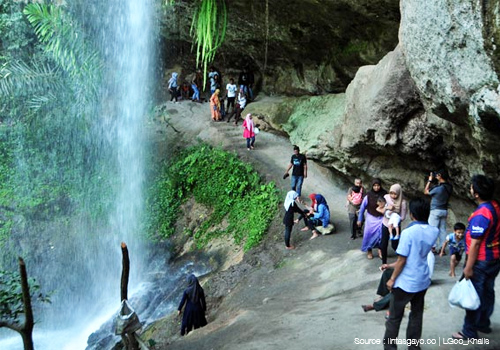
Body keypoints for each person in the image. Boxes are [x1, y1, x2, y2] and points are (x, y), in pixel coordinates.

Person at [380, 197, 439, 350]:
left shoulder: (408, 233)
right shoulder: (434, 231)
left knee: (394, 317)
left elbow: (402, 260)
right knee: (416, 314)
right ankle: (414, 347)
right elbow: (414, 256)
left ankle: (390, 347)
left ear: (412, 215)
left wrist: (392, 279)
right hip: (422, 279)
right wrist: (391, 266)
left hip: (406, 281)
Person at [452, 175, 500, 340]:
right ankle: (483, 324)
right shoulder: (495, 206)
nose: (470, 189)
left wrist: (468, 267)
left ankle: (469, 331)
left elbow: (475, 244)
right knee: (487, 291)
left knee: (474, 294)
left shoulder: (482, 214)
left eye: (472, 187)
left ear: (477, 193)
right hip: (494, 258)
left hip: (481, 260)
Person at [358, 178, 388, 260]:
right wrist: (360, 219)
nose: (376, 187)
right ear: (372, 186)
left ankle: (380, 250)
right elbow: (362, 208)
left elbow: (388, 204)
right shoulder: (368, 195)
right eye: (374, 185)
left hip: (382, 217)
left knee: (381, 235)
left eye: (378, 185)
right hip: (371, 218)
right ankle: (369, 250)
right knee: (368, 234)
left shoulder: (385, 194)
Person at [424, 169, 453, 252]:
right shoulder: (449, 187)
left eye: (437, 175)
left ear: (440, 176)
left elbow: (425, 191)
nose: (436, 176)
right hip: (444, 210)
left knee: (432, 229)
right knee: (442, 230)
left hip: (435, 210)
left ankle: (432, 247)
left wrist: (429, 180)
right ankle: (442, 248)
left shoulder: (439, 188)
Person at [380, 184, 407, 264]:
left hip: (395, 226)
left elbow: (402, 217)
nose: (393, 196)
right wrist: (387, 212)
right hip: (385, 224)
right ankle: (384, 263)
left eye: (395, 194)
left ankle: (401, 261)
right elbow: (381, 207)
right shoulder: (386, 197)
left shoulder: (402, 202)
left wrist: (394, 216)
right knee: (383, 244)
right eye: (391, 193)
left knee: (395, 245)